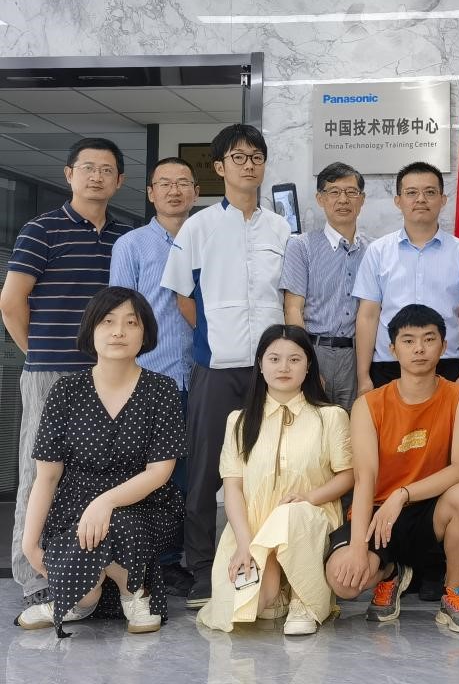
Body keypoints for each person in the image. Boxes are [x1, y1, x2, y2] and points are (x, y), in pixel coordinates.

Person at [161, 124, 292, 608]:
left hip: (271, 373)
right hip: (216, 369)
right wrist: (215, 336)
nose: (249, 165)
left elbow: (287, 297)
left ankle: (268, 563)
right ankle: (200, 570)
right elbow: (183, 296)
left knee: (273, 468)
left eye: (256, 156)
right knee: (203, 472)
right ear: (219, 167)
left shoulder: (281, 228)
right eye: (238, 157)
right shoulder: (198, 227)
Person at [0, 137, 133, 609]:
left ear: (119, 180)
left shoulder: (124, 239)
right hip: (51, 373)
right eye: (88, 167)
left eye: (107, 170)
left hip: (105, 378)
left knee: (94, 476)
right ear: (69, 174)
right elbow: (11, 303)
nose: (97, 176)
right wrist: (39, 354)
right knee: (39, 473)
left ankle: (87, 571)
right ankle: (32, 576)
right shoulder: (41, 230)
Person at [15, 287, 185, 637]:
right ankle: (82, 600)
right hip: (73, 507)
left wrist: (105, 502)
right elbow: (46, 477)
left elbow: (159, 472)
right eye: (107, 322)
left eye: (130, 323)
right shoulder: (65, 391)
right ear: (91, 330)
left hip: (145, 505)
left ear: (145, 333)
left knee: (118, 522)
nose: (118, 331)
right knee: (87, 579)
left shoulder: (162, 390)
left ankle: (134, 593)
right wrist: (29, 544)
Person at [325, 304, 459, 633]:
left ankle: (454, 595)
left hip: (428, 511)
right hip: (377, 515)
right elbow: (365, 478)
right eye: (408, 340)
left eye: (429, 339)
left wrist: (403, 494)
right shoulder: (368, 404)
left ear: (444, 346)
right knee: (344, 582)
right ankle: (391, 572)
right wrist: (358, 548)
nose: (419, 349)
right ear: (392, 348)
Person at [197, 325, 353, 636]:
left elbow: (347, 476)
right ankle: (276, 588)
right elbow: (233, 487)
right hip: (253, 528)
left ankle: (302, 601)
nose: (284, 367)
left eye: (294, 359)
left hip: (309, 520)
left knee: (290, 513)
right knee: (244, 610)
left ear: (308, 366)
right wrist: (244, 544)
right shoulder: (239, 421)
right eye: (274, 359)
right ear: (260, 364)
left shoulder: (330, 416)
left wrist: (309, 497)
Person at [109, 156, 199, 597]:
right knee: (144, 472)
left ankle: (176, 560)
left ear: (196, 192)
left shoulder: (205, 239)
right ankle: (142, 560)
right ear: (150, 193)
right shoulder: (131, 245)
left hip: (198, 376)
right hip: (149, 377)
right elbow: (119, 312)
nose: (174, 191)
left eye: (183, 183)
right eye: (164, 183)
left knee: (187, 475)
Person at [354, 161, 459, 392]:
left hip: (447, 363)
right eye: (411, 193)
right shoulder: (378, 251)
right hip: (388, 365)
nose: (421, 199)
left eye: (430, 192)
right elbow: (368, 316)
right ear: (398, 200)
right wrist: (363, 376)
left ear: (443, 199)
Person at [281, 161, 369, 409]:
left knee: (354, 426)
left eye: (351, 192)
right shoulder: (302, 246)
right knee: (313, 424)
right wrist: (306, 363)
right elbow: (293, 309)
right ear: (320, 199)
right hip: (314, 350)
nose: (343, 200)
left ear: (362, 199)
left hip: (358, 355)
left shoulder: (374, 250)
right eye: (334, 192)